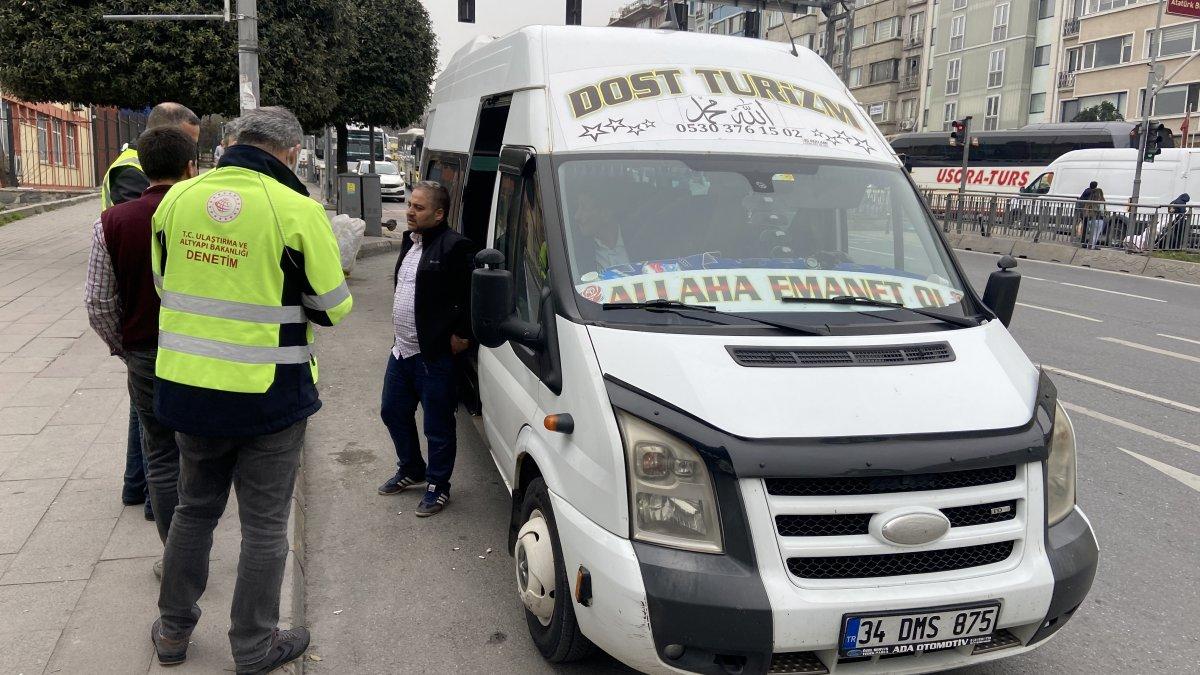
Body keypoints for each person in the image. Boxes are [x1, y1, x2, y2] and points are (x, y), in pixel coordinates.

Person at [149, 107, 351, 673]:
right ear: (291, 152)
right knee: (264, 525)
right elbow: (333, 307)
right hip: (270, 397)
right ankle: (254, 646)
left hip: (189, 390)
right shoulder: (296, 210)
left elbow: (165, 284)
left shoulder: (176, 200)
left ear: (234, 141)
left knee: (193, 510)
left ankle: (172, 632)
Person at [85, 127, 197, 579]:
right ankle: (201, 542)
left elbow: (98, 302)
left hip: (146, 352)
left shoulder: (111, 222)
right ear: (191, 166)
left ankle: (178, 559)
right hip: (205, 352)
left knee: (161, 455)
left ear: (143, 168)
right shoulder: (206, 217)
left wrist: (123, 345)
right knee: (202, 452)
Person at [100, 102, 201, 520]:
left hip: (142, 336)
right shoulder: (186, 210)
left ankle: (143, 493)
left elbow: (97, 300)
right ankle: (161, 503)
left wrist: (123, 341)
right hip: (170, 334)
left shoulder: (118, 207)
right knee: (176, 438)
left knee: (151, 429)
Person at [377, 181, 477, 517]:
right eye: (410, 205)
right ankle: (411, 468)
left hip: (433, 356)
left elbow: (472, 296)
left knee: (437, 426)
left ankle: (438, 485)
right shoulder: (410, 240)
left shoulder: (455, 246)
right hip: (402, 351)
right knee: (392, 411)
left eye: (418, 208)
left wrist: (463, 334)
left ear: (439, 214)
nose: (410, 212)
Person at [572, 190, 630, 275]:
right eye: (577, 208)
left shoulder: (641, 239)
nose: (576, 216)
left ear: (606, 213)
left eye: (584, 208)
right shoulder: (578, 253)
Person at [1081, 183, 1107, 249]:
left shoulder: (1090, 200)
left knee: (1090, 233)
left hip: (1089, 219)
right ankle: (1092, 246)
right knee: (1096, 234)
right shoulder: (1101, 200)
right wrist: (1105, 214)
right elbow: (1102, 210)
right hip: (1098, 219)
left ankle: (1087, 244)